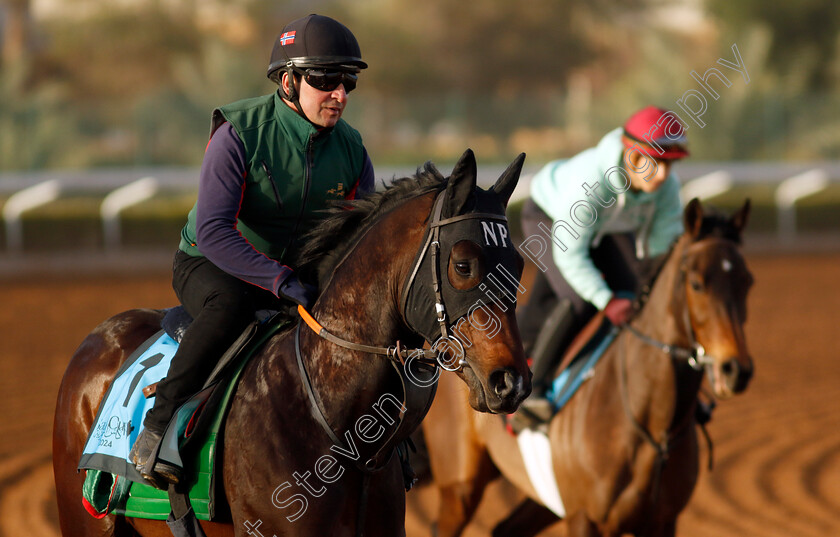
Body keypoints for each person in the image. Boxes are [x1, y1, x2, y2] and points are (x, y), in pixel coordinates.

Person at [129, 13, 375, 487]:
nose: (340, 94)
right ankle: (159, 426)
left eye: (349, 81)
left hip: (296, 272)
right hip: (212, 262)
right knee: (233, 305)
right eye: (326, 80)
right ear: (288, 81)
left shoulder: (351, 147)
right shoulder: (238, 132)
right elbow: (216, 232)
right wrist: (279, 281)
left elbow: (360, 237)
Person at [515, 106, 690, 425]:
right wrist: (607, 301)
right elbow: (571, 255)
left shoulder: (667, 189)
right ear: (633, 157)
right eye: (657, 162)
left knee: (638, 294)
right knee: (581, 299)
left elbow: (661, 252)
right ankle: (533, 390)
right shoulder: (591, 183)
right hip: (548, 216)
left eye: (670, 163)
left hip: (604, 226)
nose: (663, 174)